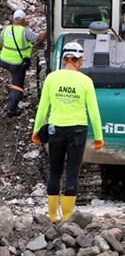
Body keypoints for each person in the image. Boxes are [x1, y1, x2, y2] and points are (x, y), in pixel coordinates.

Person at [31, 41, 104, 223]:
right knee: (72, 170)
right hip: (78, 130)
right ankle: (68, 217)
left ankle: (53, 216)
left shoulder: (51, 78)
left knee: (55, 171)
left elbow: (43, 108)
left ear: (64, 59)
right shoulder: (86, 81)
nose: (81, 64)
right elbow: (93, 112)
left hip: (56, 129)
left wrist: (36, 131)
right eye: (81, 61)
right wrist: (98, 137)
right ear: (77, 60)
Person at [2, 9, 47, 118]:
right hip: (17, 64)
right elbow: (39, 38)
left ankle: (11, 92)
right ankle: (10, 110)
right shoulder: (25, 32)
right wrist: (48, 30)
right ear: (22, 20)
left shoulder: (6, 29)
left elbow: (1, 42)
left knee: (13, 78)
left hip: (3, 61)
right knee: (18, 86)